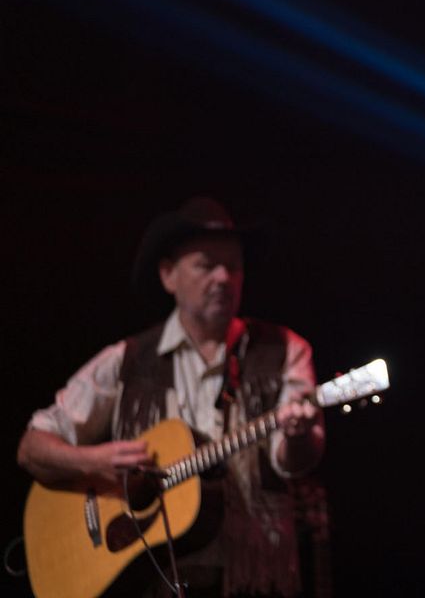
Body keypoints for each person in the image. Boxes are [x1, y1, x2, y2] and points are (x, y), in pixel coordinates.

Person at [17, 197, 325, 597]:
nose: (223, 278)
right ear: (168, 275)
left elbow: (293, 461)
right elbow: (31, 447)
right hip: (153, 582)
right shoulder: (126, 360)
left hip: (257, 577)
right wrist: (97, 461)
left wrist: (299, 435)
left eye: (233, 266)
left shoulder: (286, 349)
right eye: (205, 264)